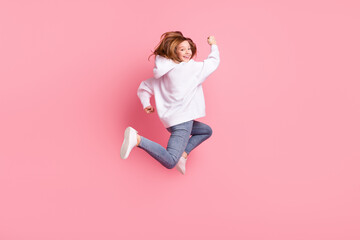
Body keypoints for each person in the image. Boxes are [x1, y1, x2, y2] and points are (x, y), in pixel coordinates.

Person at [120, 31, 220, 175]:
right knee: (170, 161)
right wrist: (213, 45)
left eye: (189, 48)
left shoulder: (163, 73)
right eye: (182, 49)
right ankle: (137, 140)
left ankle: (183, 155)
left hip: (171, 123)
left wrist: (146, 103)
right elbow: (213, 62)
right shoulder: (190, 69)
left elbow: (144, 87)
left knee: (206, 131)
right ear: (175, 52)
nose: (187, 52)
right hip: (182, 123)